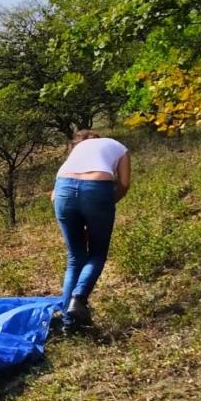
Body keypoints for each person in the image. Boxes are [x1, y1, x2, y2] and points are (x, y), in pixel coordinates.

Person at [54, 131, 131, 330]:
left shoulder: (76, 151)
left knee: (75, 258)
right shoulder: (118, 146)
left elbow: (54, 196)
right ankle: (78, 299)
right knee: (97, 253)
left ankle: (67, 324)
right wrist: (103, 207)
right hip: (97, 189)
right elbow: (123, 184)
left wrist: (80, 219)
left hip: (62, 191)